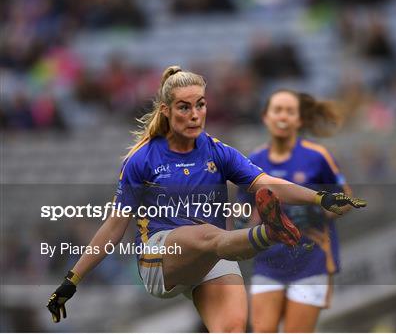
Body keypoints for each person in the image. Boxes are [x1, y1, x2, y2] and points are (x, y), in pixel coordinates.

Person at [46, 66, 366, 332]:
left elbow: (267, 183)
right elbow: (114, 228)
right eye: (184, 107)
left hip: (214, 253)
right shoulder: (142, 160)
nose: (195, 114)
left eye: (200, 104)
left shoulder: (217, 151)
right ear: (167, 111)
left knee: (234, 328)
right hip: (162, 257)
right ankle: (271, 232)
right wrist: (71, 281)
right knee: (208, 234)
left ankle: (269, 232)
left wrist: (319, 198)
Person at [239, 89, 354, 332]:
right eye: (277, 110)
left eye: (290, 111)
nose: (283, 116)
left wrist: (319, 212)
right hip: (269, 261)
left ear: (299, 120)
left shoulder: (317, 156)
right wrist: (243, 228)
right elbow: (248, 212)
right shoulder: (254, 159)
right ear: (265, 117)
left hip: (311, 260)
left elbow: (346, 199)